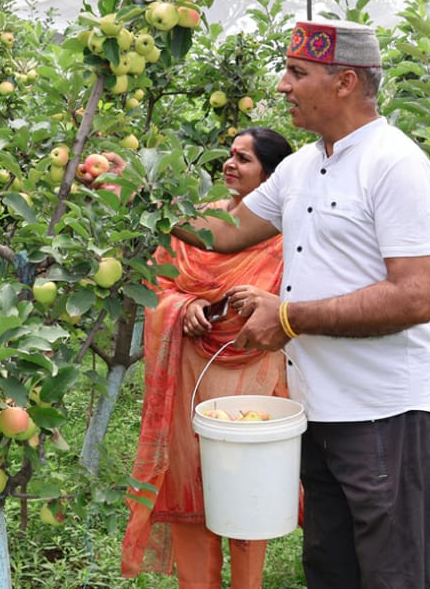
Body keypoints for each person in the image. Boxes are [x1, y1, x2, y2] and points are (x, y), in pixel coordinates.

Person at [174, 20, 430, 589]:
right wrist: (143, 197)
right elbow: (225, 232)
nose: (282, 86)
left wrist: (290, 317)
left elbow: (415, 297)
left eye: (298, 73)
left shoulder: (395, 165)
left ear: (345, 81)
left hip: (384, 408)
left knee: (389, 572)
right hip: (316, 409)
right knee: (330, 568)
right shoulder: (301, 166)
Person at [118, 126, 294, 589]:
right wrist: (186, 306)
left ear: (272, 176)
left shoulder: (284, 236)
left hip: (250, 374)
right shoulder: (202, 223)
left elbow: (289, 302)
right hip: (188, 377)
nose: (230, 164)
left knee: (245, 490)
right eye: (229, 155)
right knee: (191, 486)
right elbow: (159, 281)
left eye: (245, 159)